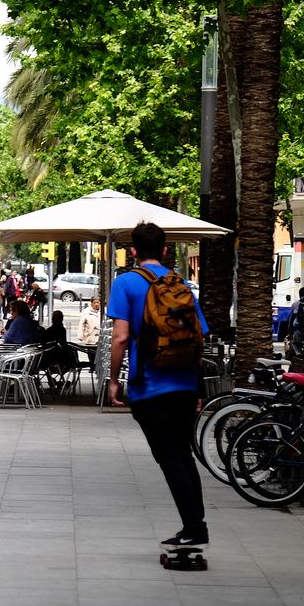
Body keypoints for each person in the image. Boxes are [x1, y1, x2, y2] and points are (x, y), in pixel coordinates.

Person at [107, 221, 209, 552]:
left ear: (133, 251)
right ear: (165, 250)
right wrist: (197, 387)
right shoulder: (179, 284)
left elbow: (121, 337)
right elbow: (199, 336)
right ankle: (195, 525)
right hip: (183, 384)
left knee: (170, 458)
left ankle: (194, 528)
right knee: (182, 454)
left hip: (150, 386)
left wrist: (113, 380)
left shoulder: (126, 283)